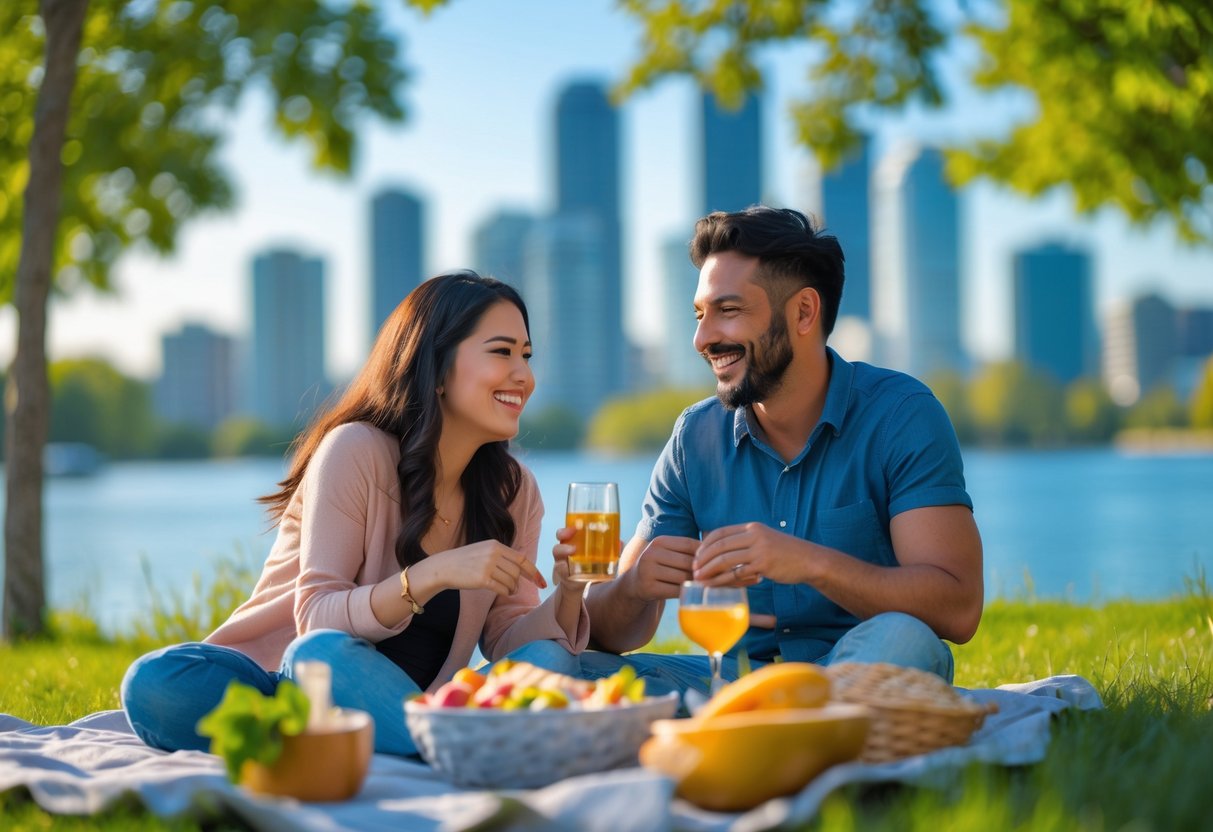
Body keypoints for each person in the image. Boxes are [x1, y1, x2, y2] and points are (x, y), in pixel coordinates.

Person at [123, 271, 589, 755]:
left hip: (413, 705)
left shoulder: (514, 491)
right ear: (436, 365)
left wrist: (568, 593)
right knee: (160, 681)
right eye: (502, 351)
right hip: (289, 685)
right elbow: (318, 619)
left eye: (527, 355)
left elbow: (507, 641)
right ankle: (443, 743)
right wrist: (431, 575)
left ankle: (413, 742)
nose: (524, 375)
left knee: (548, 660)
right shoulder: (355, 450)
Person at [567, 206, 983, 696]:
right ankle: (762, 726)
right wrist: (633, 587)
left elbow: (958, 610)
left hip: (861, 669)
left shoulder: (902, 415)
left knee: (905, 640)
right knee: (560, 665)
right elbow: (605, 634)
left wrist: (811, 563)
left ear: (804, 312)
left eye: (729, 310)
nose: (703, 339)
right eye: (700, 315)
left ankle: (752, 729)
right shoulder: (693, 438)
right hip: (732, 682)